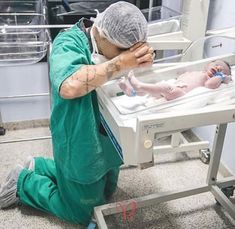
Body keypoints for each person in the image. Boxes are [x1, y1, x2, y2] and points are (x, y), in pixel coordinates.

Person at [0, 1, 154, 226]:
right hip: (80, 139)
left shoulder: (114, 47)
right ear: (103, 33)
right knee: (81, 211)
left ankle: (41, 165)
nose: (129, 54)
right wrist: (120, 63)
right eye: (123, 50)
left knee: (107, 193)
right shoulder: (68, 43)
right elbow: (69, 86)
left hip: (109, 138)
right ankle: (24, 183)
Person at [119, 60, 232, 100]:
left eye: (222, 70)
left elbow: (209, 86)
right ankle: (133, 92)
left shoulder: (209, 79)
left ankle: (139, 85)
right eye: (216, 64)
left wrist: (221, 77)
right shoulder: (198, 72)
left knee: (164, 88)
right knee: (155, 90)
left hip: (180, 94)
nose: (218, 68)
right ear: (207, 64)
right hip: (175, 84)